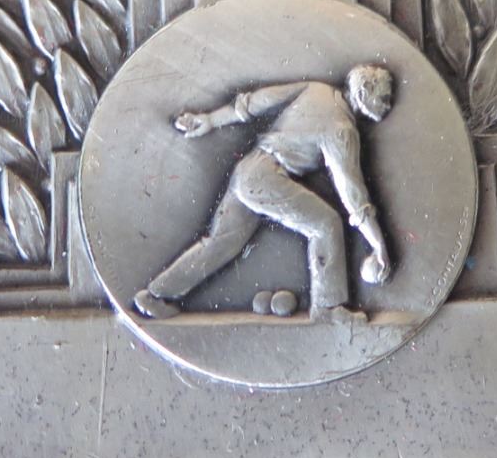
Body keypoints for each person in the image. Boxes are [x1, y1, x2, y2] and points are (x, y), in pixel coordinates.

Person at [131, 65, 395, 320]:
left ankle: (155, 295)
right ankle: (328, 308)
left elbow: (259, 101)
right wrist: (378, 245)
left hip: (248, 169)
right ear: (363, 92)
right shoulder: (341, 129)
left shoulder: (318, 90)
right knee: (326, 224)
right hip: (266, 178)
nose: (388, 103)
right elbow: (353, 194)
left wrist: (211, 119)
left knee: (220, 243)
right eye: (383, 96)